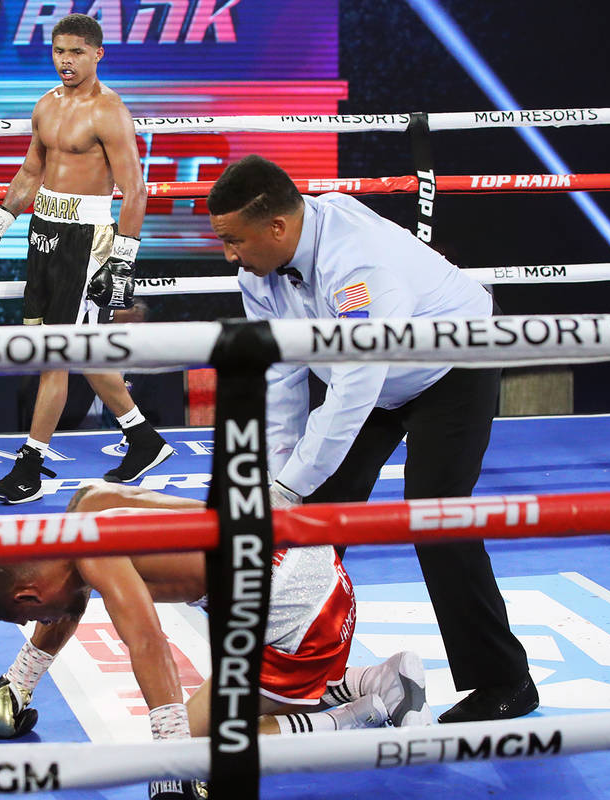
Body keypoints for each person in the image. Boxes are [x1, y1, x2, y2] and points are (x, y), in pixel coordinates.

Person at [204, 155, 537, 724]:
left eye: (236, 240)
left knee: (436, 512)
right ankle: (311, 671)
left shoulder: (357, 261)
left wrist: (288, 485)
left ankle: (506, 680)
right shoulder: (257, 272)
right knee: (312, 517)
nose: (230, 254)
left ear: (277, 227)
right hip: (364, 377)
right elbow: (282, 374)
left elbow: (358, 388)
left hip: (452, 364)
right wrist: (279, 480)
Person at [0, 484, 432, 798]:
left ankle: (365, 710)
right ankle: (379, 677)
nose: (48, 622)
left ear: (29, 594)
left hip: (298, 608)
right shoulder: (89, 506)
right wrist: (19, 681)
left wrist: (173, 752)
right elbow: (68, 603)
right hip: (300, 555)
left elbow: (148, 642)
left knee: (203, 741)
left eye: (33, 615)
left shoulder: (96, 555)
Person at [0, 13, 171, 504]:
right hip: (43, 234)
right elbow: (31, 173)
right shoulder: (46, 106)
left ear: (98, 54)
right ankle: (143, 438)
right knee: (72, 347)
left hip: (88, 239)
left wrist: (122, 261)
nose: (66, 61)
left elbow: (135, 191)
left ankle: (30, 466)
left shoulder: (109, 112)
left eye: (76, 52)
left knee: (56, 353)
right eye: (59, 51)